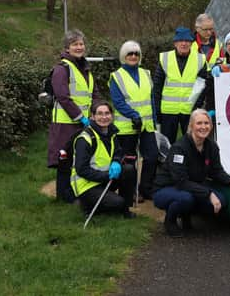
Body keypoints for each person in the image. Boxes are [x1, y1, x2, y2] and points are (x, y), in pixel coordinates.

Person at [152, 109, 230, 237]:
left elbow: (216, 171)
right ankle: (170, 221)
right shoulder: (179, 148)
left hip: (191, 187)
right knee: (186, 198)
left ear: (211, 126)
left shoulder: (211, 146)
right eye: (199, 123)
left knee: (222, 201)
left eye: (206, 123)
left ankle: (186, 214)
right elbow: (180, 181)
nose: (203, 127)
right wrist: (208, 193)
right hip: (167, 188)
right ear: (191, 126)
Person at [47, 29, 100, 203]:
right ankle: (64, 195)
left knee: (79, 158)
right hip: (66, 122)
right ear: (67, 48)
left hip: (83, 122)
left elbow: (94, 94)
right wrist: (79, 116)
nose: (79, 47)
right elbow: (63, 96)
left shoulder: (85, 68)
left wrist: (97, 111)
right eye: (75, 44)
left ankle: (74, 192)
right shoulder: (62, 69)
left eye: (81, 44)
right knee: (64, 159)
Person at [109, 40, 160, 201]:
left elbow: (151, 99)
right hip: (126, 126)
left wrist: (154, 120)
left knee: (152, 156)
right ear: (124, 56)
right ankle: (128, 192)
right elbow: (118, 102)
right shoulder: (116, 76)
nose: (133, 56)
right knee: (129, 162)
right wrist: (133, 115)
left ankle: (145, 188)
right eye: (129, 53)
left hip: (147, 125)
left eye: (136, 53)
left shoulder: (146, 73)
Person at [70, 101, 136, 218]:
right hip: (87, 185)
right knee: (117, 203)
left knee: (129, 169)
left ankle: (125, 210)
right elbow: (81, 170)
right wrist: (106, 175)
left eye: (107, 113)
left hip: (104, 179)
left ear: (112, 115)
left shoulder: (111, 132)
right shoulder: (85, 139)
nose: (104, 117)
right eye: (100, 114)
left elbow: (118, 152)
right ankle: (86, 205)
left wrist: (116, 161)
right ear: (92, 116)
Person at [153, 27, 208, 144]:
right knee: (167, 144)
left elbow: (202, 86)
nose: (184, 43)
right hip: (168, 111)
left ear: (191, 43)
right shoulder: (165, 58)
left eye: (187, 41)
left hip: (190, 110)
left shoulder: (200, 59)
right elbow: (157, 86)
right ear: (175, 43)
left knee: (192, 143)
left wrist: (196, 107)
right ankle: (167, 163)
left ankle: (192, 163)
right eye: (180, 41)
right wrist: (156, 109)